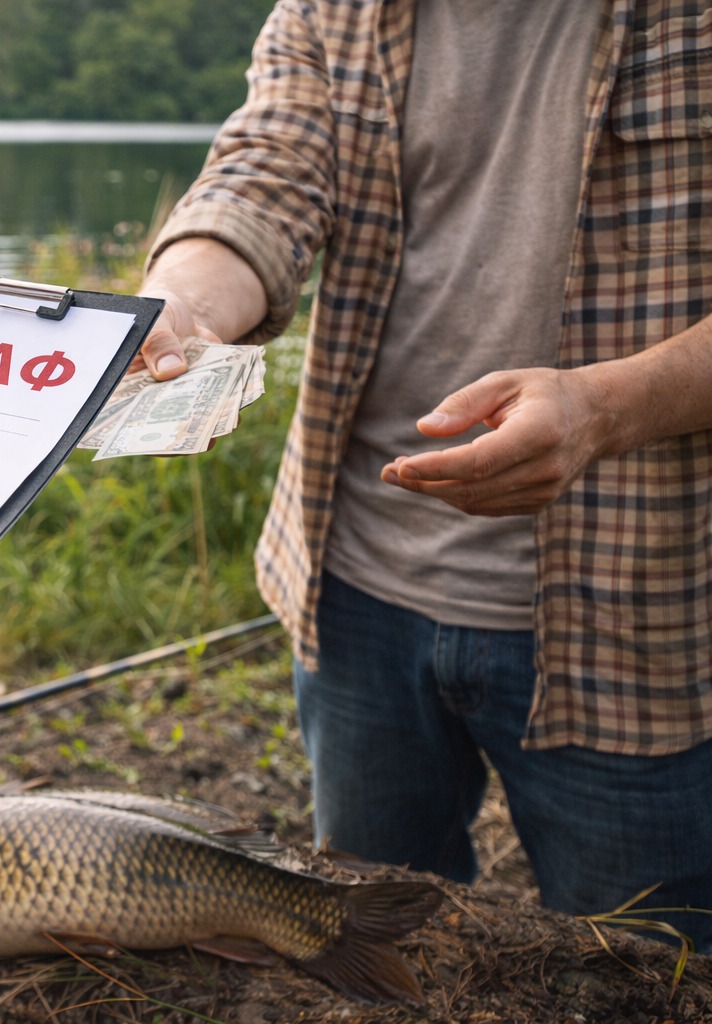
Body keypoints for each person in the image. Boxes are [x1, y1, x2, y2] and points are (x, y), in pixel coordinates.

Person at [137, 0, 712, 947]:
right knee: (369, 943)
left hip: (639, 613)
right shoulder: (331, 11)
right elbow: (259, 183)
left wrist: (606, 408)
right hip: (356, 591)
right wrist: (175, 308)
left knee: (647, 971)